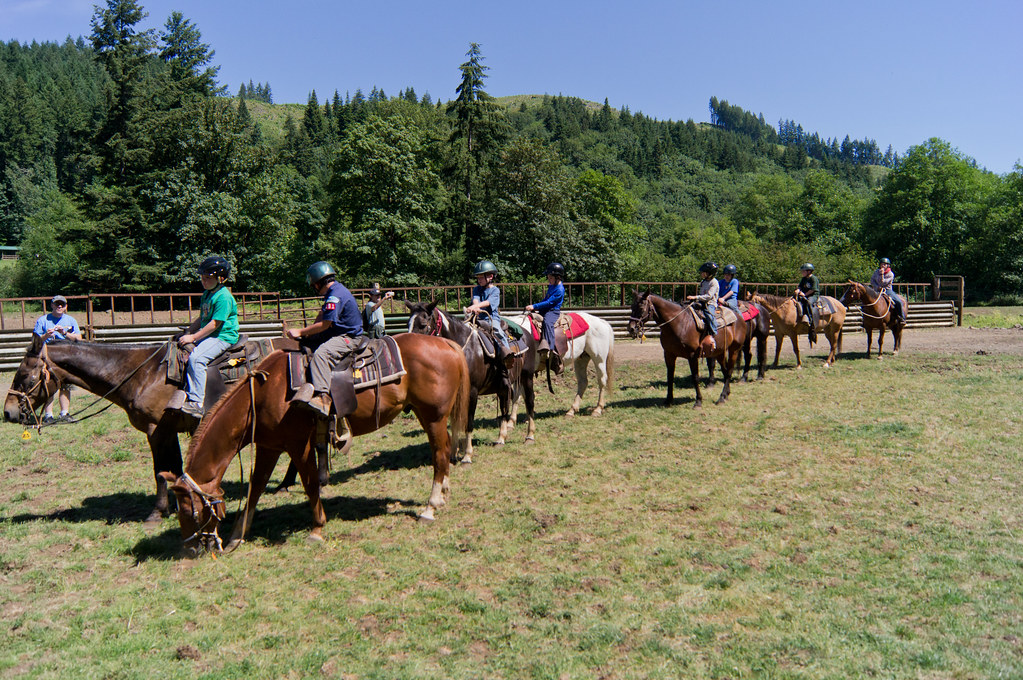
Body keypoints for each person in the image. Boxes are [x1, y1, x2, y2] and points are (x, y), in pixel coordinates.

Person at [287, 261, 363, 416]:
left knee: (321, 354)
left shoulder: (335, 295)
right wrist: (309, 334)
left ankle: (323, 398)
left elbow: (325, 324)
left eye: (314, 285)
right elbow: (322, 315)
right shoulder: (333, 292)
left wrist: (300, 332)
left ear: (319, 282)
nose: (314, 288)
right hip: (337, 332)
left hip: (348, 337)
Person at [176, 256, 239, 418]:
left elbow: (214, 324)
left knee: (197, 359)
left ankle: (197, 402)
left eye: (207, 278)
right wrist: (188, 332)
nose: (203, 281)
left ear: (221, 278)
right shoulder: (207, 294)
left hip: (222, 336)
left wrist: (193, 338)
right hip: (210, 334)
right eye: (202, 278)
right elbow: (202, 319)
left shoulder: (224, 297)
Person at [32, 294, 83, 423]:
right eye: (57, 304)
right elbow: (35, 340)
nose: (59, 306)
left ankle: (64, 414)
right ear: (52, 305)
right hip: (49, 355)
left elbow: (79, 339)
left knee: (66, 385)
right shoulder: (42, 320)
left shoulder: (71, 320)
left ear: (65, 306)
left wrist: (64, 333)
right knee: (48, 384)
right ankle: (48, 415)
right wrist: (46, 335)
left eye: (62, 304)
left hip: (66, 356)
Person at [525, 262, 566, 373]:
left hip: (553, 311)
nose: (548, 279)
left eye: (550, 277)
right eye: (548, 277)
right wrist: (536, 307)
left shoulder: (559, 289)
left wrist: (534, 306)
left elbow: (550, 303)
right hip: (546, 308)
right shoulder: (552, 286)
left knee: (547, 322)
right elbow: (545, 300)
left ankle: (550, 347)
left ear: (558, 277)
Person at [464, 260, 510, 351]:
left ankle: (507, 353)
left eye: (481, 277)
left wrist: (475, 307)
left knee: (497, 331)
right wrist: (475, 306)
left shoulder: (495, 290)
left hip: (491, 319)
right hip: (478, 318)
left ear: (490, 276)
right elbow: (475, 299)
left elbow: (488, 302)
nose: (479, 280)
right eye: (478, 277)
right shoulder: (477, 289)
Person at [687, 262, 720, 352]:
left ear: (709, 273)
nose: (701, 274)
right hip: (701, 302)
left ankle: (714, 333)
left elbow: (709, 296)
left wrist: (695, 297)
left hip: (710, 303)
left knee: (709, 315)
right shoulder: (704, 282)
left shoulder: (714, 283)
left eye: (703, 272)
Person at [869, 257, 907, 323]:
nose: (883, 265)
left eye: (884, 264)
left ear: (888, 265)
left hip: (887, 290)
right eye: (882, 264)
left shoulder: (890, 274)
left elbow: (883, 283)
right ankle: (865, 319)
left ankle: (901, 317)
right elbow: (872, 281)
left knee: (898, 301)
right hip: (876, 290)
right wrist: (877, 287)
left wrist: (882, 274)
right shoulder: (876, 272)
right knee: (867, 300)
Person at [794, 263, 820, 344]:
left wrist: (804, 294)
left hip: (813, 295)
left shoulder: (813, 279)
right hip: (803, 294)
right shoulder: (804, 279)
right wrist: (798, 290)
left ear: (809, 271)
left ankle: (810, 319)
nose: (802, 272)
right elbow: (800, 286)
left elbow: (813, 289)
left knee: (808, 302)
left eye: (803, 271)